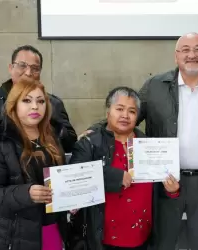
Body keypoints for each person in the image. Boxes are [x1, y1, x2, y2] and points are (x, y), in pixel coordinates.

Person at [81, 32, 198, 250]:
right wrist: (98, 128)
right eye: (185, 50)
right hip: (162, 182)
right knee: (162, 243)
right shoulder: (155, 85)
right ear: (176, 56)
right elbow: (129, 114)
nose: (191, 55)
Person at [69, 86, 180, 250]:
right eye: (119, 109)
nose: (125, 116)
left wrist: (172, 190)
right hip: (103, 239)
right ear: (108, 112)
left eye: (132, 111)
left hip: (142, 236)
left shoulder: (149, 145)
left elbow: (157, 188)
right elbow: (74, 180)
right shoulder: (89, 143)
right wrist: (114, 176)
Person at [0, 79, 68, 250]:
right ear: (14, 105)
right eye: (26, 100)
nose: (35, 106)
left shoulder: (52, 139)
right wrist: (27, 193)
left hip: (51, 228)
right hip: (15, 235)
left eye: (40, 101)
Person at [0, 45, 77, 154]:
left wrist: (48, 120)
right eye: (22, 66)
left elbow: (70, 144)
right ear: (11, 68)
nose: (28, 73)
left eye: (35, 68)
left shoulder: (52, 103)